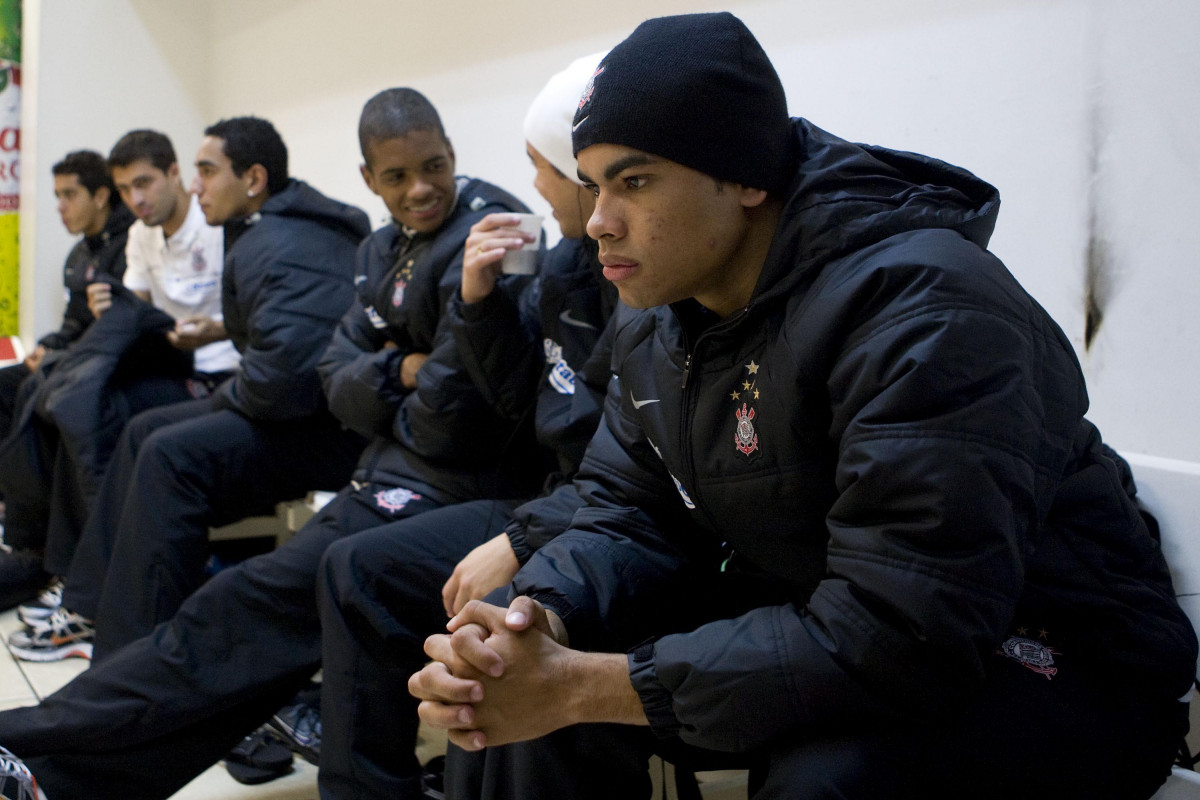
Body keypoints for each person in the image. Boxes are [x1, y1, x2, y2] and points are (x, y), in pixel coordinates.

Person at [410, 13, 1199, 799]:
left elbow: (905, 632)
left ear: (749, 176)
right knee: (508, 693)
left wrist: (584, 683)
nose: (599, 221)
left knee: (825, 774)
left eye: (635, 181)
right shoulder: (657, 314)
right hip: (837, 613)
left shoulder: (926, 308)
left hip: (1058, 659)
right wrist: (539, 620)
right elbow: (628, 509)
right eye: (590, 184)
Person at [0, 89, 543, 800]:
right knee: (223, 613)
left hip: (444, 489)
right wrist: (397, 371)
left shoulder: (497, 231)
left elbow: (452, 415)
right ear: (367, 178)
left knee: (252, 611)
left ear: (452, 151)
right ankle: (42, 756)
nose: (419, 188)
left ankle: (39, 752)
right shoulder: (382, 244)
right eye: (396, 176)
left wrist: (385, 380)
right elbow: (334, 374)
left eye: (434, 166)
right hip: (381, 474)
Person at [313, 52, 658, 800]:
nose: (530, 186)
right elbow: (523, 402)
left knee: (499, 624)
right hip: (556, 502)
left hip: (603, 522)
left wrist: (523, 538)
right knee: (353, 568)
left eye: (541, 167)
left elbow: (641, 466)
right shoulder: (566, 262)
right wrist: (477, 300)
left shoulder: (653, 280)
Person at [7, 117, 370, 662]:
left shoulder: (276, 238)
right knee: (124, 423)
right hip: (265, 397)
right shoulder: (261, 229)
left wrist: (221, 388)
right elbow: (275, 338)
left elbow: (278, 383)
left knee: (163, 448)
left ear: (251, 178)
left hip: (310, 423)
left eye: (205, 170)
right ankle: (88, 600)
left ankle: (134, 650)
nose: (198, 185)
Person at [0, 132, 238, 620]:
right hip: (169, 363)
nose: (137, 199)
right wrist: (104, 308)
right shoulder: (138, 235)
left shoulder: (217, 228)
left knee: (93, 408)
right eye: (127, 188)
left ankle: (89, 581)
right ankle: (65, 567)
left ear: (175, 173)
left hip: (219, 373)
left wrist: (211, 332)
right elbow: (136, 314)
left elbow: (250, 321)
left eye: (145, 183)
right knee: (72, 401)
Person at [0, 150, 134, 611]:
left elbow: (119, 330)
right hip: (76, 357)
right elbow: (76, 323)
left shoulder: (131, 243)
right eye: (56, 195)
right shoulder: (80, 254)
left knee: (44, 394)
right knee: (7, 382)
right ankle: (14, 516)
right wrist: (49, 345)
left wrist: (58, 354)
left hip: (107, 369)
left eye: (69, 195)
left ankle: (37, 546)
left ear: (101, 196)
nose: (60, 206)